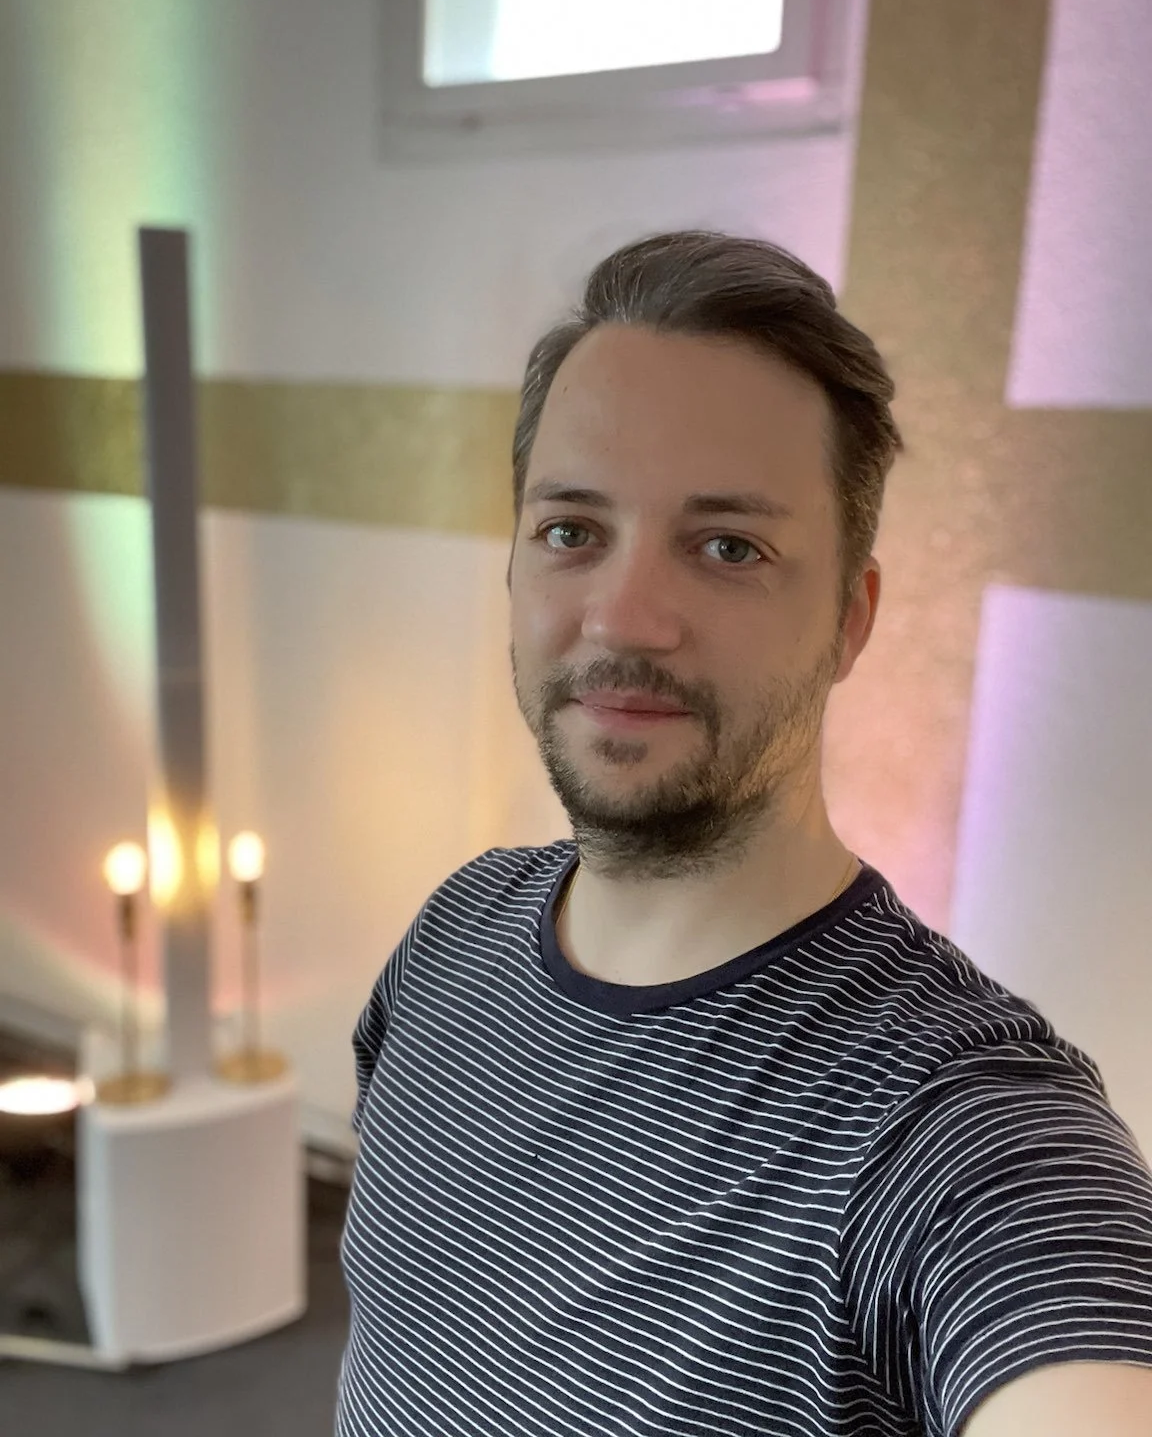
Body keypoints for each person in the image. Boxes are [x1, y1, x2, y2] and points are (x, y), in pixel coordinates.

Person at [335, 232, 1152, 1436]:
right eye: (571, 531)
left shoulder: (953, 1125)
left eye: (729, 547)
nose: (624, 617)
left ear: (849, 619)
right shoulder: (455, 933)